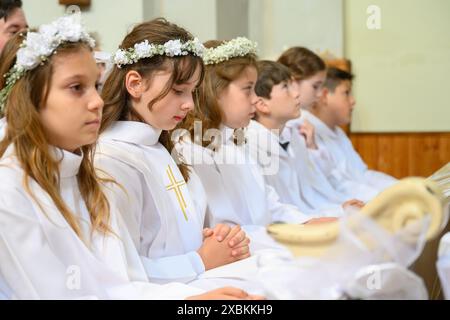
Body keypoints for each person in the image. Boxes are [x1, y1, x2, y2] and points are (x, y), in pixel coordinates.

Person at [0, 14, 259, 300]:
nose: (96, 101)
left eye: (95, 86)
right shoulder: (11, 190)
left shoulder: (76, 174)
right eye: (76, 88)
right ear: (30, 98)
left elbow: (115, 283)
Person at [248, 60, 363, 216]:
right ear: (262, 105)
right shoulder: (251, 145)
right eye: (286, 88)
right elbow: (276, 211)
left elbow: (311, 192)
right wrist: (335, 214)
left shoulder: (292, 136)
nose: (296, 94)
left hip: (306, 218)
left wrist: (339, 209)